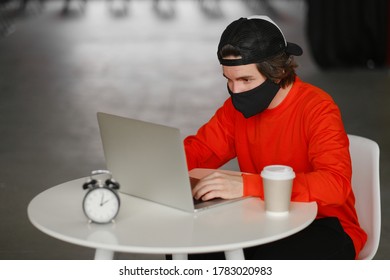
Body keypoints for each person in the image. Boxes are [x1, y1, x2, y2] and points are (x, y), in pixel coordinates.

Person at [183, 15, 367, 259]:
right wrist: (157, 167)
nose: (235, 90)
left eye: (245, 79)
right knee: (191, 251)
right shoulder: (236, 110)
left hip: (325, 225)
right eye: (229, 79)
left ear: (277, 72)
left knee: (261, 262)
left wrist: (248, 186)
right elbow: (199, 151)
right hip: (264, 220)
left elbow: (334, 185)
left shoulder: (317, 107)